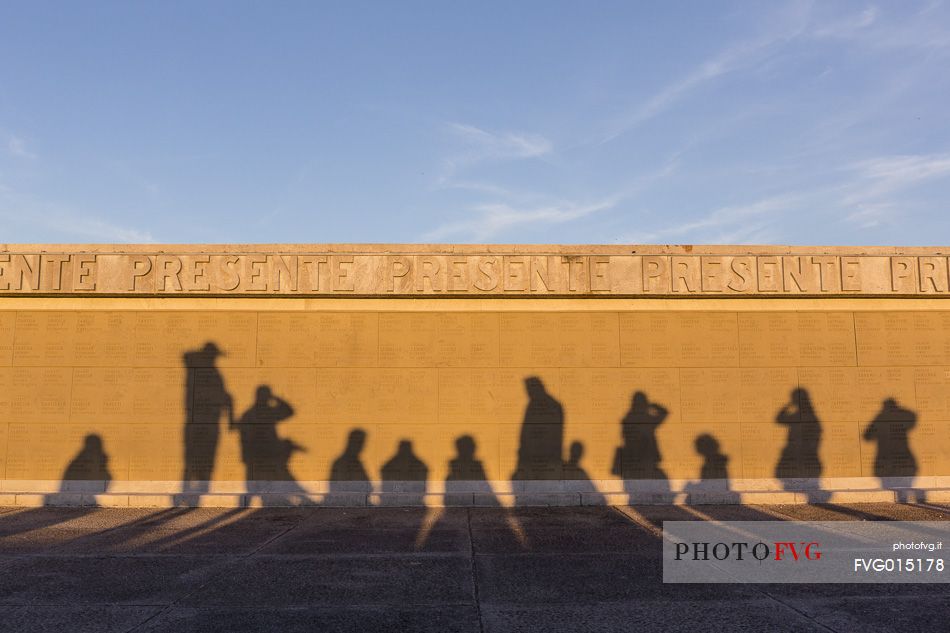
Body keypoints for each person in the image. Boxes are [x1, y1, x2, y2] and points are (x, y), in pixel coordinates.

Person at [179, 342, 233, 503]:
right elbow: (226, 399)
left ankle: (190, 491)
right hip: (206, 422)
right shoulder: (209, 374)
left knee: (194, 458)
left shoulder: (194, 371)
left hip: (197, 422)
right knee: (201, 458)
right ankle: (195, 491)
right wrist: (230, 419)